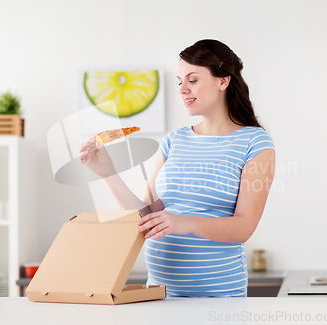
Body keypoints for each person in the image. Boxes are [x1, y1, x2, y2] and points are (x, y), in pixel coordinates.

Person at [78, 39, 275, 297]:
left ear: (223, 81)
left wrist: (186, 223)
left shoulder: (254, 142)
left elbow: (244, 227)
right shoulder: (174, 140)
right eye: (180, 81)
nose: (183, 89)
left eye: (192, 80)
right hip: (160, 294)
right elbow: (147, 217)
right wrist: (107, 172)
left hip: (218, 296)